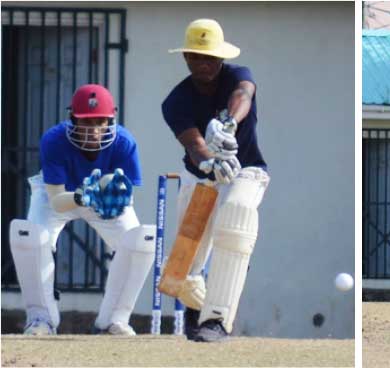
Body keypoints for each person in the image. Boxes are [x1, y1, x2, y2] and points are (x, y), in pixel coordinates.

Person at [9, 84, 150, 336]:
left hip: (100, 199)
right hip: (63, 194)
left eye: (100, 121)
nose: (93, 130)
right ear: (72, 118)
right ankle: (40, 319)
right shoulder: (54, 139)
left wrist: (109, 200)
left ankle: (114, 320)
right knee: (29, 237)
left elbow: (125, 194)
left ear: (111, 119)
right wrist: (82, 195)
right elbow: (55, 201)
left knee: (140, 241)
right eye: (86, 122)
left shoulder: (125, 142)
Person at [162, 18, 269, 343]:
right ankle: (205, 303)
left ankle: (217, 321)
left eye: (209, 57)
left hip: (247, 169)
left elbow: (243, 95)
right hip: (202, 177)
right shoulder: (175, 101)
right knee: (177, 275)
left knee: (235, 215)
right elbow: (193, 144)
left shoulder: (238, 76)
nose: (203, 63)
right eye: (196, 56)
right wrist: (209, 160)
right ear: (186, 58)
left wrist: (227, 123)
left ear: (221, 58)